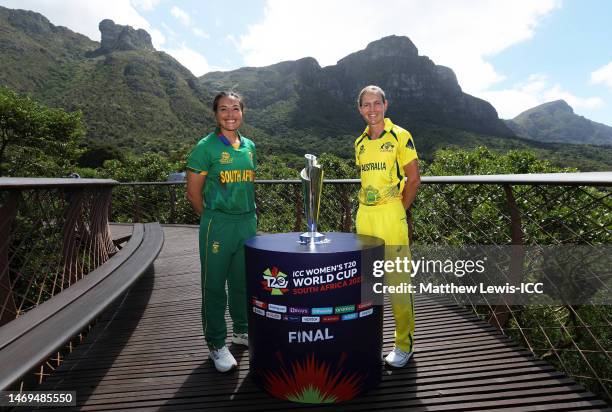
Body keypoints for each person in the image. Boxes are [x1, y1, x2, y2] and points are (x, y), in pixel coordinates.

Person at [186, 91, 257, 373]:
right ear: (216, 114)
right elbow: (193, 194)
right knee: (214, 286)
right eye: (224, 109)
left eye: (236, 108)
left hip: (247, 222)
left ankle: (241, 331)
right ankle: (216, 342)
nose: (230, 114)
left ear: (243, 112)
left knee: (241, 282)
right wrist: (213, 220)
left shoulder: (249, 145)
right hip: (218, 223)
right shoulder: (205, 148)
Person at [354, 85, 421, 368]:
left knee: (397, 283)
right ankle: (368, 341)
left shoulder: (400, 136)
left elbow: (414, 179)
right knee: (367, 285)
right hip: (364, 216)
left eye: (376, 103)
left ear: (385, 105)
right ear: (360, 109)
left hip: (391, 215)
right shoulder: (359, 143)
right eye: (366, 105)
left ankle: (403, 344)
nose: (372, 109)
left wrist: (398, 211)